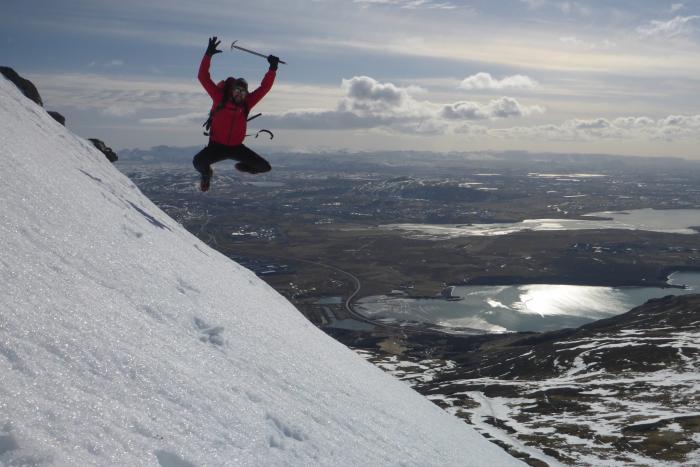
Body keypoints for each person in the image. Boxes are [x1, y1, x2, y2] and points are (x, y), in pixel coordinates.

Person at [193, 36, 279, 192]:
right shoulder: (219, 98)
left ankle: (244, 167)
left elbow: (264, 88)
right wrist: (208, 55)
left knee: (264, 167)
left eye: (243, 91)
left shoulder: (248, 103)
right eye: (237, 91)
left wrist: (272, 69)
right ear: (232, 91)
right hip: (216, 147)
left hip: (236, 148)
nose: (240, 94)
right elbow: (203, 77)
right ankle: (207, 175)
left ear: (246, 93)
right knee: (198, 162)